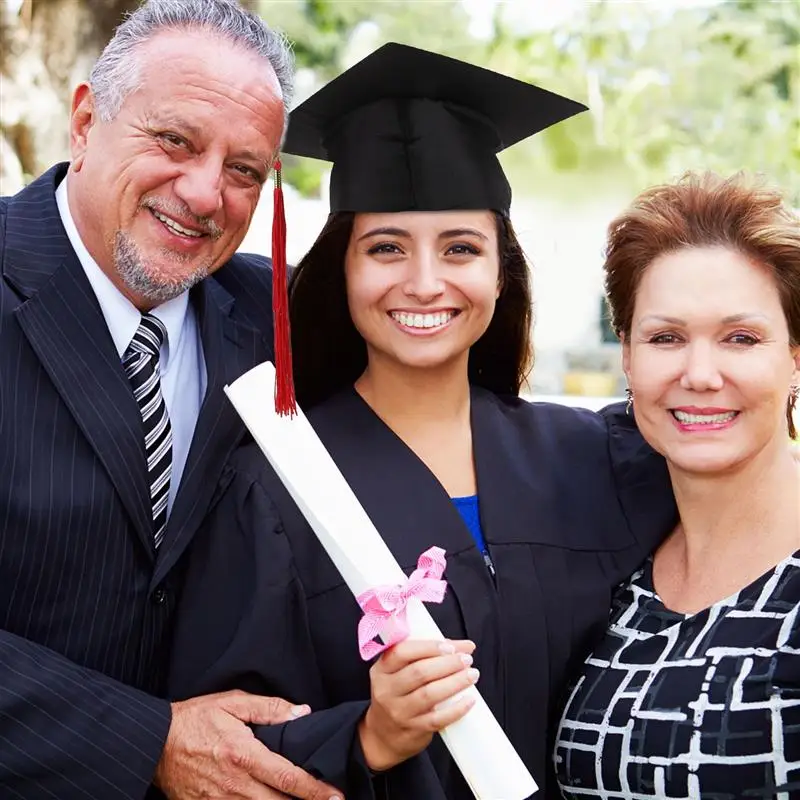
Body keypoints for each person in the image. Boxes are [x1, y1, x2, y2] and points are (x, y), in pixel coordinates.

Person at [168, 42, 677, 800]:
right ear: (341, 270)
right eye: (386, 248)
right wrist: (370, 737)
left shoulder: (601, 462)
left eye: (461, 248)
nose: (426, 282)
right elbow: (227, 751)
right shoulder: (273, 489)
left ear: (501, 273)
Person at [0, 1, 341, 798]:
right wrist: (147, 738)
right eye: (176, 141)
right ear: (85, 122)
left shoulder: (275, 319)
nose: (204, 192)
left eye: (244, 170)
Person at [554, 172, 800, 798]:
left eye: (740, 338)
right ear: (629, 360)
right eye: (665, 338)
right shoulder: (615, 572)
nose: (700, 374)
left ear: (795, 356)